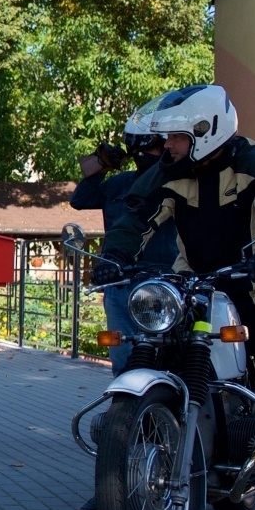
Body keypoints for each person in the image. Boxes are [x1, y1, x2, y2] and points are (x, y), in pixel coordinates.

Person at [86, 83, 255, 510]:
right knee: (156, 358)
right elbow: (138, 215)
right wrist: (114, 258)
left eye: (175, 137)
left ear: (206, 131)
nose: (166, 146)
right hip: (195, 285)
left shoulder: (254, 164)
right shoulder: (171, 171)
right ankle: (118, 473)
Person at [69, 110, 177, 375]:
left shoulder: (176, 184)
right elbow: (79, 200)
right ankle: (125, 410)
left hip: (163, 282)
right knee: (123, 358)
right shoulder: (119, 184)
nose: (158, 152)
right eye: (152, 146)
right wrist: (101, 163)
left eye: (159, 146)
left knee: (165, 353)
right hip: (119, 282)